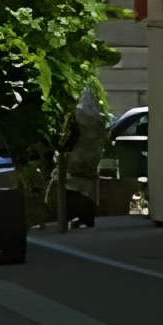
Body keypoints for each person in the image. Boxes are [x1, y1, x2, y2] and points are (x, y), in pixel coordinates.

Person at [61, 87, 107, 229]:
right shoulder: (99, 118)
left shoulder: (78, 116)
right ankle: (86, 217)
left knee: (72, 187)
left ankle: (73, 215)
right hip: (92, 157)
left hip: (78, 156)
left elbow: (70, 136)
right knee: (87, 187)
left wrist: (64, 149)